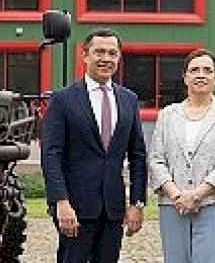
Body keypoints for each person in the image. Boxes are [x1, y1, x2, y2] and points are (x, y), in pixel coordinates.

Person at [41, 28, 148, 263]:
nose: (106, 59)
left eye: (112, 53)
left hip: (113, 209)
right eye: (99, 52)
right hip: (74, 208)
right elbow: (51, 155)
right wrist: (60, 202)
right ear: (85, 55)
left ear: (119, 58)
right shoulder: (62, 100)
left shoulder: (129, 100)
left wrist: (137, 203)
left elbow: (138, 155)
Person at [148, 49, 215, 263]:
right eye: (194, 70)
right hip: (174, 206)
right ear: (185, 77)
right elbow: (156, 159)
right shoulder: (167, 115)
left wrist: (197, 195)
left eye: (208, 70)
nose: (201, 75)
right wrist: (176, 195)